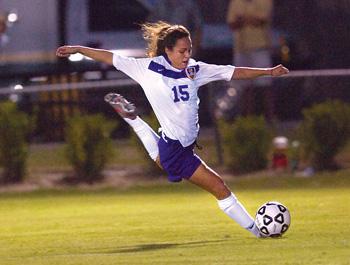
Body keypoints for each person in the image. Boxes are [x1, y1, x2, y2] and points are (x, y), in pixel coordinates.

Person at [56, 21, 289, 238]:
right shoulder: (146, 68)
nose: (187, 55)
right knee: (218, 186)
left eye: (189, 50)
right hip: (177, 148)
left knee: (162, 158)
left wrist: (268, 71)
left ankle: (133, 118)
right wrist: (78, 49)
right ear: (167, 50)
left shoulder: (195, 70)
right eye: (182, 51)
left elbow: (233, 71)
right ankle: (259, 232)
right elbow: (111, 58)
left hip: (180, 145)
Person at [226, 0, 274, 119]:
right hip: (241, 49)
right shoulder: (236, 2)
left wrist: (242, 19)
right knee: (244, 87)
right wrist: (250, 19)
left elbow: (261, 21)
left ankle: (271, 119)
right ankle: (247, 119)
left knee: (265, 85)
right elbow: (232, 24)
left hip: (260, 48)